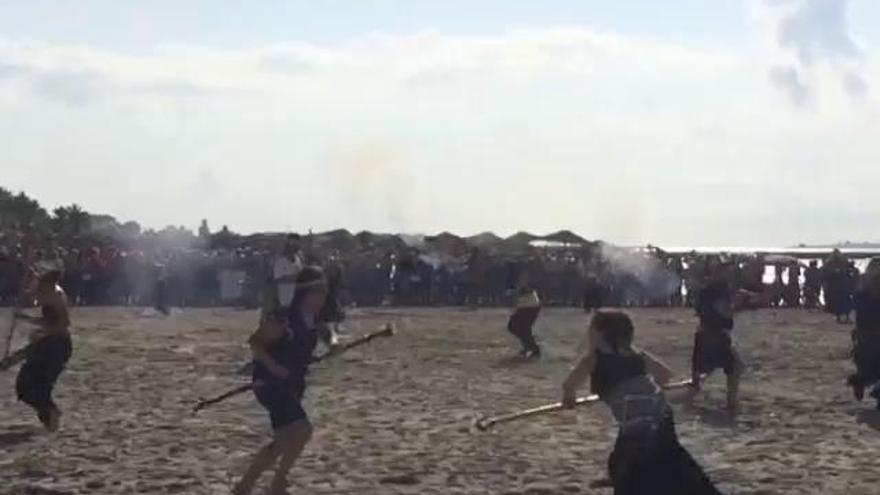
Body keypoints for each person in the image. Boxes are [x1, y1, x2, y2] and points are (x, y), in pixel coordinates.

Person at [562, 310, 721, 495]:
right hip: (661, 415)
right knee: (671, 460)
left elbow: (569, 384)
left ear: (599, 333)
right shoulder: (637, 354)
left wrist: (569, 399)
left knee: (627, 470)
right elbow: (665, 375)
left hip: (635, 422)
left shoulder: (595, 358)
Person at [234, 266, 327, 495]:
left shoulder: (313, 320)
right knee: (302, 431)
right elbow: (256, 343)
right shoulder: (284, 318)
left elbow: (326, 334)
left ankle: (247, 486)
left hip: (292, 385)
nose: (321, 297)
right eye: (317, 292)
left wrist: (334, 344)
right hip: (271, 385)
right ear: (305, 293)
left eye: (323, 292)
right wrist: (275, 368)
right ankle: (276, 482)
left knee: (285, 439)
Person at [13, 270, 73, 431]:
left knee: (38, 386)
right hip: (49, 343)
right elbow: (48, 321)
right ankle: (50, 415)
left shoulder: (55, 295)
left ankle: (51, 415)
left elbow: (63, 324)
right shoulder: (50, 293)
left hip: (57, 346)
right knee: (26, 385)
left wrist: (43, 333)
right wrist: (27, 319)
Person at [691, 262, 743, 411]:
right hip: (715, 334)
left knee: (703, 366)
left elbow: (699, 310)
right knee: (735, 367)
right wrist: (738, 306)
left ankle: (695, 386)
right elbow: (723, 311)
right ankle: (731, 402)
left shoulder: (706, 289)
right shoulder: (719, 290)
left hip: (703, 333)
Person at [848, 259, 880, 409]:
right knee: (872, 365)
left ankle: (862, 382)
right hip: (870, 332)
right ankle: (862, 382)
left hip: (868, 332)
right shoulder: (865, 292)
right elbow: (862, 314)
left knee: (871, 366)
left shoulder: (863, 290)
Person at [507, 275, 542, 358]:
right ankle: (530, 346)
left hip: (529, 305)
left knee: (520, 328)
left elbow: (525, 289)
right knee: (518, 328)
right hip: (528, 305)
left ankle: (532, 347)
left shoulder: (523, 277)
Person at [273, 235, 304, 310]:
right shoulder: (280, 261)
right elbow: (277, 280)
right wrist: (294, 278)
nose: (296, 246)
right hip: (286, 300)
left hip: (299, 299)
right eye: (293, 244)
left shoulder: (298, 260)